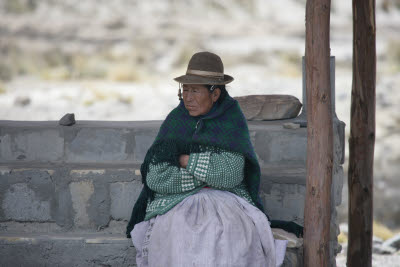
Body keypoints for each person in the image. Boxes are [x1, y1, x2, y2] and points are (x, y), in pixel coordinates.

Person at [126, 51, 287, 266]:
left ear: (215, 94)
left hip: (227, 199)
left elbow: (230, 174)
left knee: (230, 233)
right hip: (177, 202)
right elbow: (156, 177)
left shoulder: (231, 119)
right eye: (185, 90)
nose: (188, 98)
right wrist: (209, 173)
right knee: (179, 233)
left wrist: (185, 161)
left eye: (195, 90)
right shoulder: (177, 120)